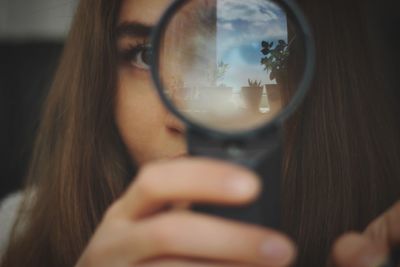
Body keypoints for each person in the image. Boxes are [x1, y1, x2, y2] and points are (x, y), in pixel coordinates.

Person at [1, 0, 400, 266]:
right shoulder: (15, 233)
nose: (192, 118)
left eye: (246, 53)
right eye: (144, 55)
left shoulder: (387, 233)